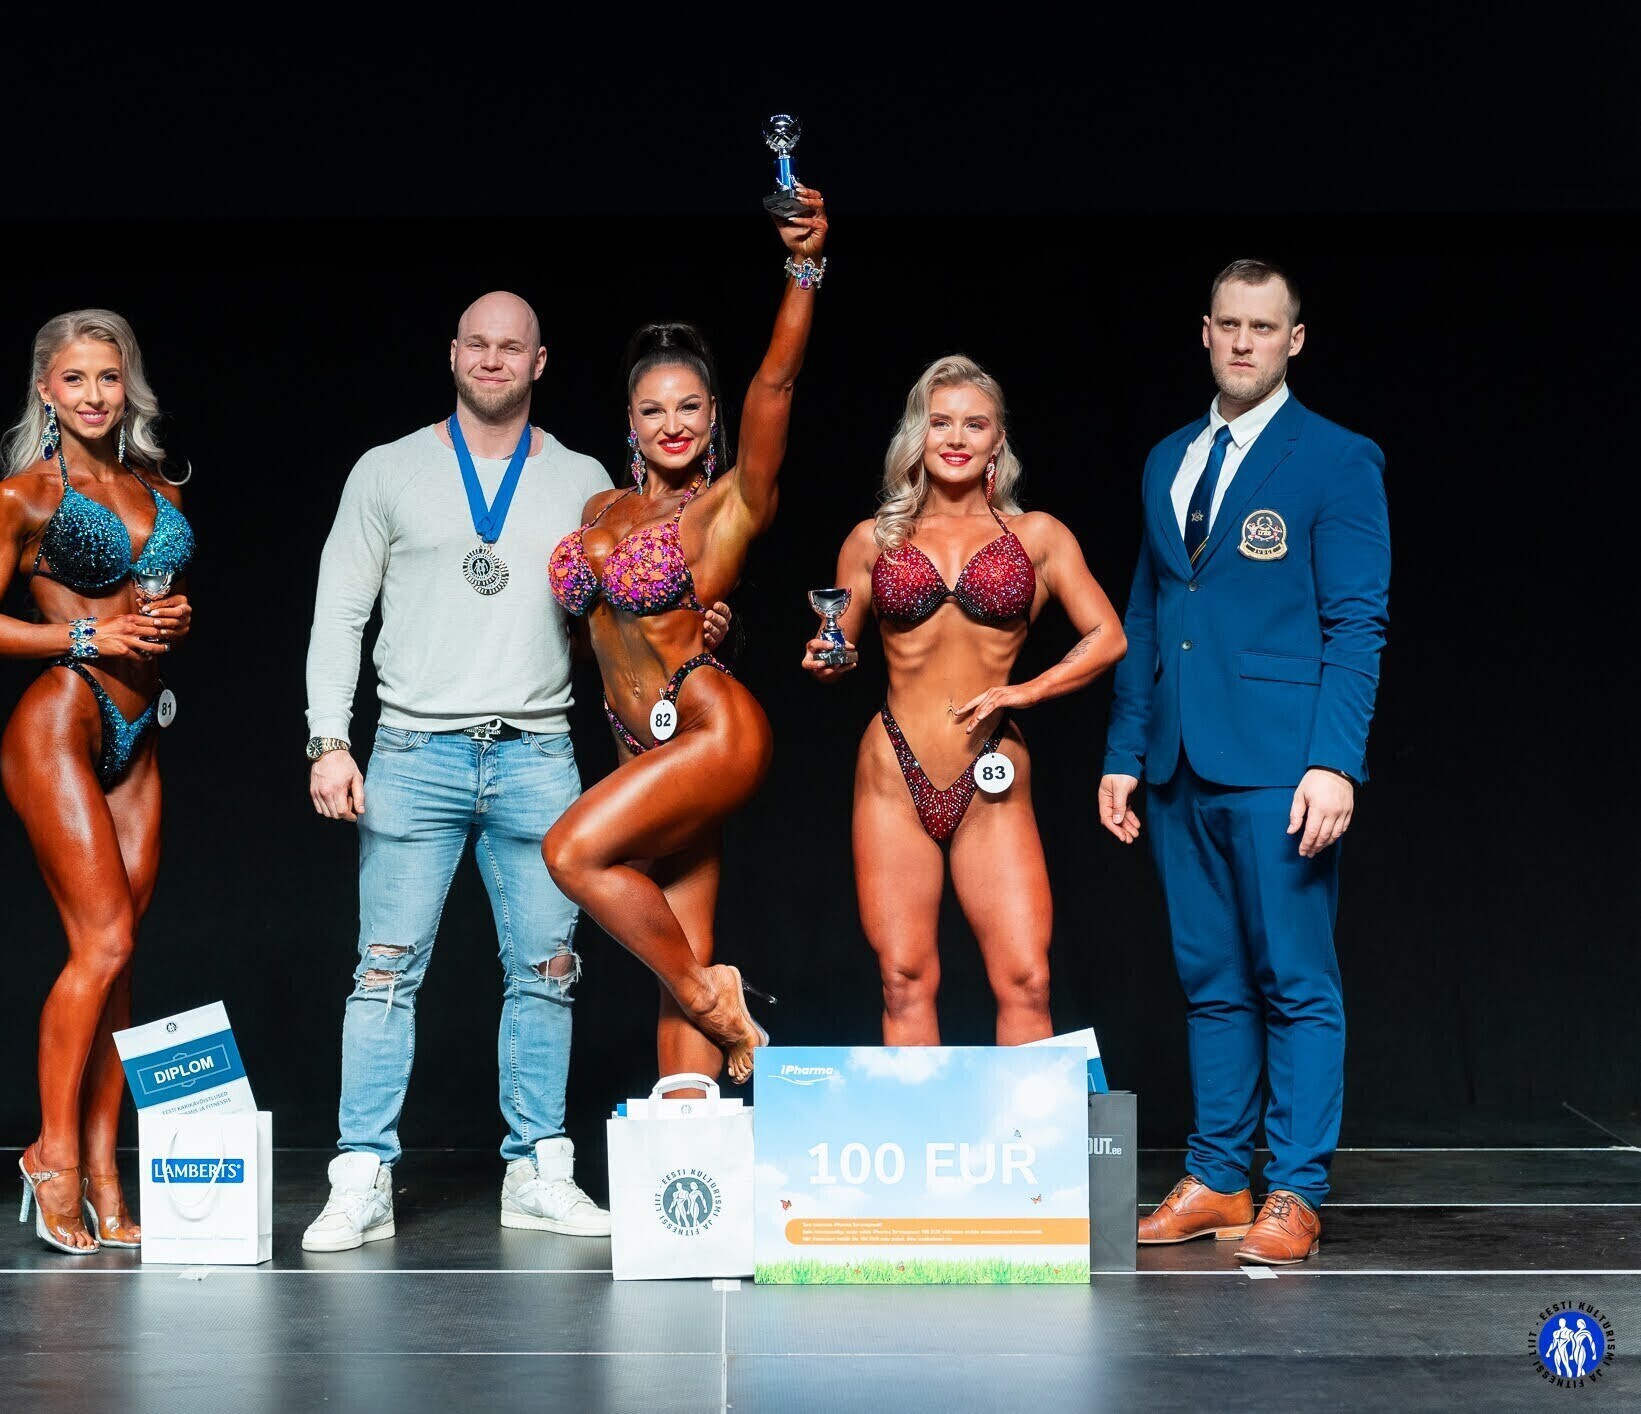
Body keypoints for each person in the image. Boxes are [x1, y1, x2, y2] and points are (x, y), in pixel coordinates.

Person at [300, 292, 729, 1253]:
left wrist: (695, 627)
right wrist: (329, 740)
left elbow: (620, 623)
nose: (492, 360)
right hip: (413, 750)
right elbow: (339, 614)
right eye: (477, 345)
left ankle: (537, 1169)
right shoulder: (387, 470)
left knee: (548, 973)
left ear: (539, 363)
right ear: (453, 354)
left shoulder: (583, 482)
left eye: (512, 348)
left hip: (536, 751)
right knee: (382, 972)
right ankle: (360, 1174)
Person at [1101, 260, 1390, 1266]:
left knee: (1295, 979)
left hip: (1281, 763)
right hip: (1178, 760)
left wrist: (1335, 763)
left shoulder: (1338, 459)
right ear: (1205, 330)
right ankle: (1221, 1176)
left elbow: (1356, 624)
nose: (1241, 342)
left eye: (1262, 328)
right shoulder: (1168, 458)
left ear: (1293, 340)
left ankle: (1295, 1188)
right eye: (1228, 324)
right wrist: (1124, 750)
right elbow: (1147, 616)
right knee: (1212, 981)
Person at [540, 186, 829, 1089]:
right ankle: (688, 1125)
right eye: (653, 410)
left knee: (570, 853)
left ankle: (715, 998)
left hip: (709, 728)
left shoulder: (727, 508)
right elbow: (595, 639)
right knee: (673, 945)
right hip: (639, 745)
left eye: (690, 407)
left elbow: (775, 384)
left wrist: (803, 269)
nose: (672, 425)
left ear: (711, 418)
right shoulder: (599, 506)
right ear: (629, 421)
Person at [0, 310, 195, 1254]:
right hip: (60, 717)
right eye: (75, 379)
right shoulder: (21, 495)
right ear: (45, 391)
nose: (94, 395)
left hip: (139, 732)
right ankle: (51, 1154)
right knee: (102, 942)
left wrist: (174, 619)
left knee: (121, 957)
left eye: (108, 377)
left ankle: (104, 1172)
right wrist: (91, 633)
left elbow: (151, 599)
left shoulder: (155, 486)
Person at [802, 355, 1124, 1045]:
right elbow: (836, 649)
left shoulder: (1037, 536)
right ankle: (915, 1120)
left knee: (1026, 979)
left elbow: (1108, 636)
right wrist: (828, 659)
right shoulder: (872, 539)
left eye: (974, 424)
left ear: (997, 440)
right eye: (939, 422)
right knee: (902, 981)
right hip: (893, 769)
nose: (955, 438)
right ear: (916, 435)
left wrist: (1025, 690)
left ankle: (1028, 1122)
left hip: (992, 771)